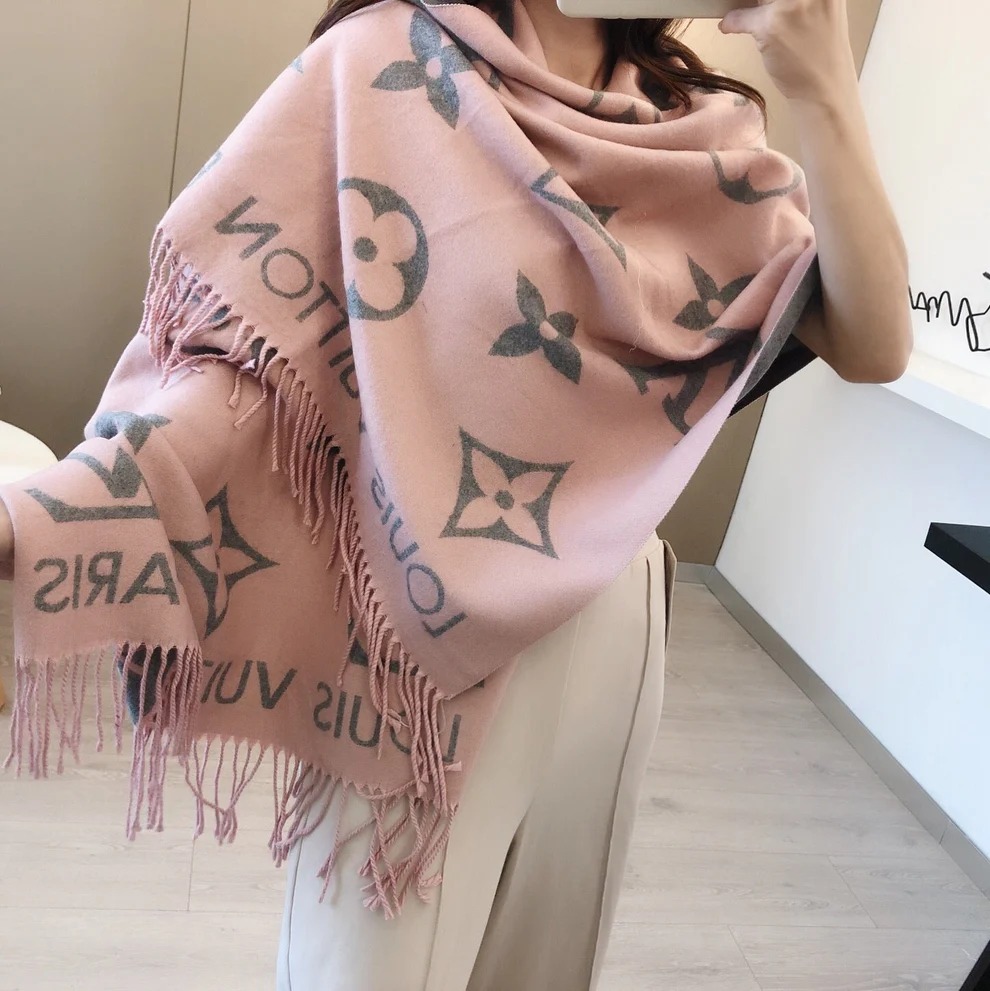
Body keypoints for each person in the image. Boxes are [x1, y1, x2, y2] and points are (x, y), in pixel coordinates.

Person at [0, 0, 910, 988]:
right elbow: (250, 376)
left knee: (545, 967)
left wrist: (824, 80)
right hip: (413, 644)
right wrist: (45, 524)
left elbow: (873, 341)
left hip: (613, 634)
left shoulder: (695, 130)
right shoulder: (381, 62)